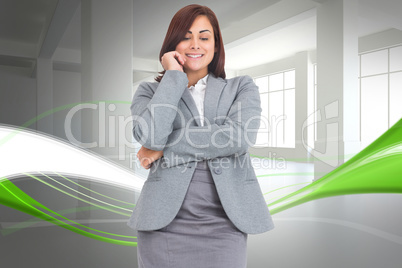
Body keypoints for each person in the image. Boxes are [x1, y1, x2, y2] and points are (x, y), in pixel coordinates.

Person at [127, 4, 274, 268]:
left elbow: (238, 137)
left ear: (216, 46)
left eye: (204, 37)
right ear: (173, 44)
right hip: (162, 224)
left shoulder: (241, 87)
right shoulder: (150, 92)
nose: (195, 44)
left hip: (225, 222)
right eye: (185, 36)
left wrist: (163, 149)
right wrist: (173, 77)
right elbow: (150, 135)